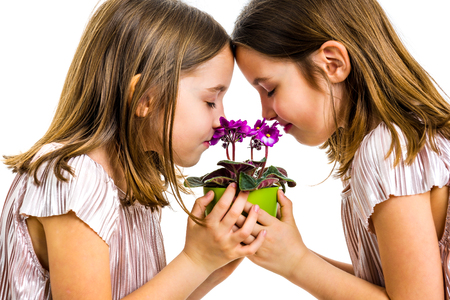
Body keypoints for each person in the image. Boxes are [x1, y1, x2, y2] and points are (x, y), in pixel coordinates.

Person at [0, 0, 266, 299]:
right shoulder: (73, 176)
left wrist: (207, 270)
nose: (221, 120)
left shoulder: (133, 188)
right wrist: (194, 261)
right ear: (145, 98)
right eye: (210, 100)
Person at [232, 0, 450, 298]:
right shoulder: (410, 133)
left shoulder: (387, 146)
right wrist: (290, 255)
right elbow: (388, 284)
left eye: (269, 89)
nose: (265, 113)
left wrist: (297, 263)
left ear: (332, 63)